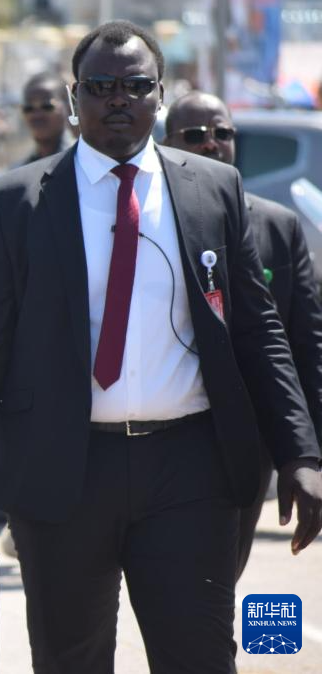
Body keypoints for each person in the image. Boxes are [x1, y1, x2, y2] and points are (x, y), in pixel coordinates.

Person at [0, 20, 322, 674]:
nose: (119, 99)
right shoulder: (15, 202)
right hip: (62, 472)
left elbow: (259, 331)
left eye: (137, 86)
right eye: (100, 86)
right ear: (73, 97)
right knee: (70, 660)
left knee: (199, 657)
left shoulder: (213, 189)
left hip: (189, 469)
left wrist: (300, 453)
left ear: (160, 96)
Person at [164, 90, 322, 579]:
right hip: (163, 440)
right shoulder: (148, 224)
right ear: (166, 144)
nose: (210, 143)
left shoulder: (277, 227)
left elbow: (303, 347)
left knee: (217, 583)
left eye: (222, 133)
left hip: (244, 443)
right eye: (195, 135)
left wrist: (305, 453)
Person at [17, 71, 71, 166]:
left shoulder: (82, 162)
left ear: (69, 108)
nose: (37, 115)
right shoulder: (20, 169)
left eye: (47, 106)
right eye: (28, 108)